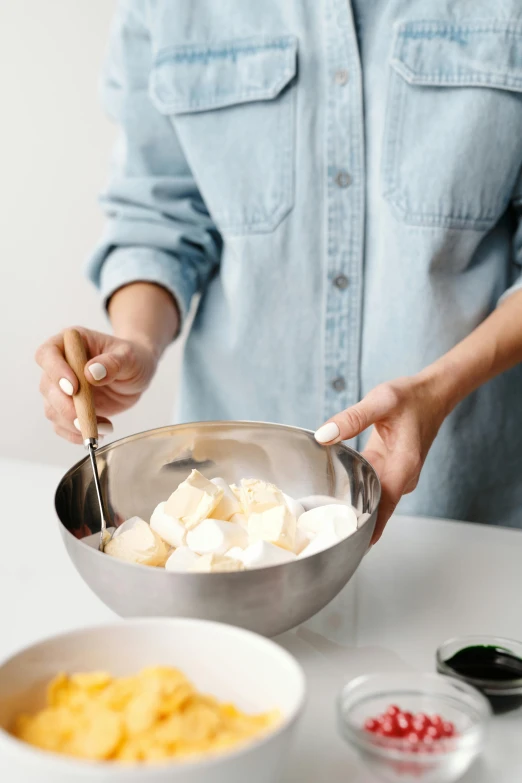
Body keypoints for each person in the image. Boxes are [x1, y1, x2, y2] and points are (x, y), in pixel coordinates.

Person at [36, 2, 522, 544]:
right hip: (223, 510)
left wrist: (437, 390)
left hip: (465, 511)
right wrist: (136, 344)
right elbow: (158, 217)